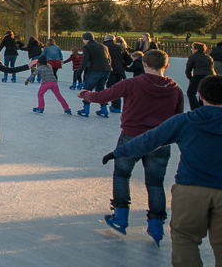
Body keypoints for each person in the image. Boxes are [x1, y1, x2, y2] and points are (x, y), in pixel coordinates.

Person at [104, 75, 222, 265]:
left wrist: (119, 152)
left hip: (191, 190)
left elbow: (150, 139)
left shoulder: (186, 121)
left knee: (185, 239)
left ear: (199, 96)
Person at [83, 49, 184, 247]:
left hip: (132, 137)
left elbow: (104, 95)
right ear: (166, 65)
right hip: (160, 141)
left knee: (122, 175)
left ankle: (120, 217)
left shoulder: (132, 83)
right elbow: (177, 118)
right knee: (155, 184)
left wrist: (85, 94)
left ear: (144, 64)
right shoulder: (175, 89)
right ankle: (156, 225)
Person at [77, 32, 113, 117]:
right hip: (107, 70)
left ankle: (86, 109)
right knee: (100, 90)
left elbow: (85, 60)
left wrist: (79, 72)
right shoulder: (103, 46)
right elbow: (109, 59)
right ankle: (104, 110)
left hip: (96, 70)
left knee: (87, 89)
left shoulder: (87, 46)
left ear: (85, 39)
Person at [185, 42, 214, 110]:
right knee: (203, 93)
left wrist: (190, 78)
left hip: (198, 75)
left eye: (192, 48)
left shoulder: (193, 56)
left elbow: (188, 68)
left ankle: (195, 109)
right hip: (210, 76)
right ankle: (202, 108)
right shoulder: (208, 57)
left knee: (191, 93)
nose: (191, 50)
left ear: (196, 49)